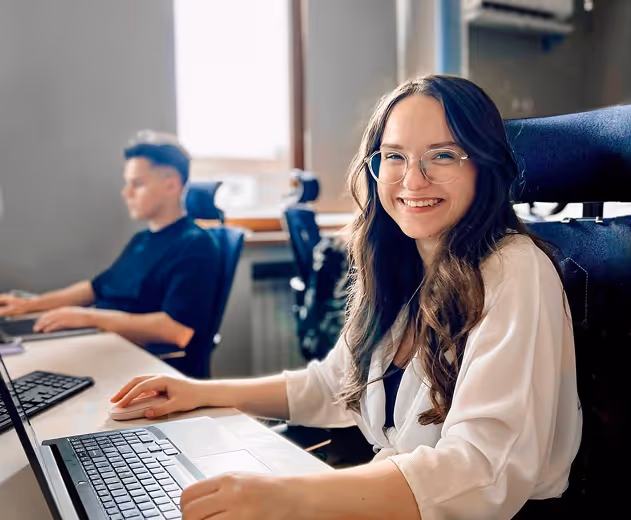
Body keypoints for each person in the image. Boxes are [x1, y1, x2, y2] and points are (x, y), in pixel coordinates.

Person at [110, 76, 582, 520]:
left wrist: (285, 496)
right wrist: (198, 392)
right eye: (394, 156)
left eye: (443, 155)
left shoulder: (515, 270)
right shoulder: (404, 266)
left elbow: (482, 470)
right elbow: (332, 384)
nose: (412, 180)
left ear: (485, 165)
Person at [0, 131, 219, 368]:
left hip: (143, 361)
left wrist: (86, 317)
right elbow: (94, 288)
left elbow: (175, 330)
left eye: (137, 184)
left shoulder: (195, 245)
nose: (126, 193)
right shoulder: (142, 240)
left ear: (171, 185)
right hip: (106, 341)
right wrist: (30, 305)